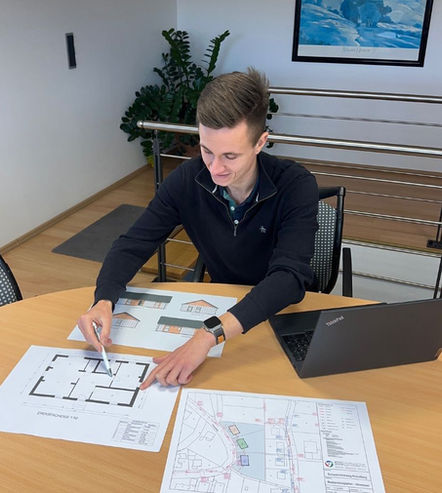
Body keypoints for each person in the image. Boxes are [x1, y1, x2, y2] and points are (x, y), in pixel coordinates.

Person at [77, 68, 319, 388]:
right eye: (207, 150)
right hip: (223, 305)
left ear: (261, 142)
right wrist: (103, 299)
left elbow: (289, 279)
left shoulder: (296, 185)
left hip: (279, 314)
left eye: (230, 155)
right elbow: (132, 244)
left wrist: (207, 335)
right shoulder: (186, 180)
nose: (215, 168)